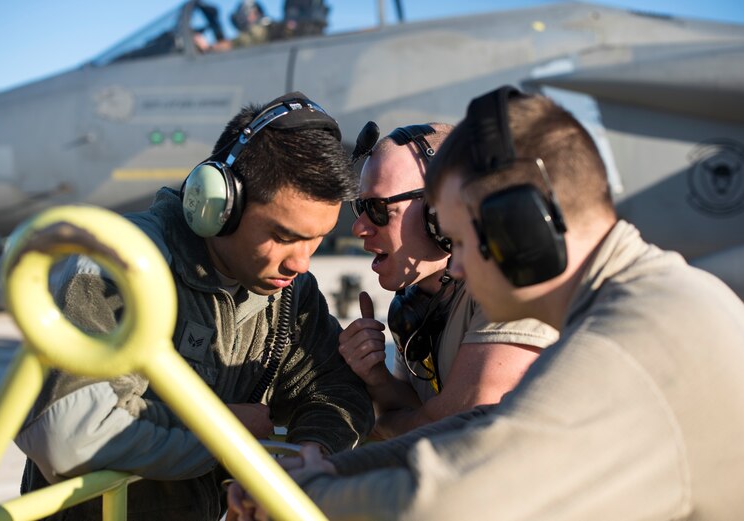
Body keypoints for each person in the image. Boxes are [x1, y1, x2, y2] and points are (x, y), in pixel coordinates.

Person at [229, 87, 744, 520]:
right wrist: (336, 471)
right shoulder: (639, 299)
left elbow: (448, 505)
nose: (455, 266)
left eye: (462, 239)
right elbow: (489, 426)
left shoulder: (631, 336)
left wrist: (305, 495)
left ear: (522, 229)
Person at [16, 91, 374, 521]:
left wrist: (306, 459)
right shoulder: (120, 263)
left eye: (317, 240)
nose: (301, 263)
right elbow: (71, 433)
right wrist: (227, 431)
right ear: (220, 205)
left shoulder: (290, 294)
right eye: (282, 236)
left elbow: (337, 392)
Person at [339, 122, 557, 439]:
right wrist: (377, 378)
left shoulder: (510, 286)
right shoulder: (416, 303)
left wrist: (380, 426)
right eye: (360, 206)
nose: (359, 227)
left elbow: (458, 431)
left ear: (439, 214)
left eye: (377, 209)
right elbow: (420, 412)